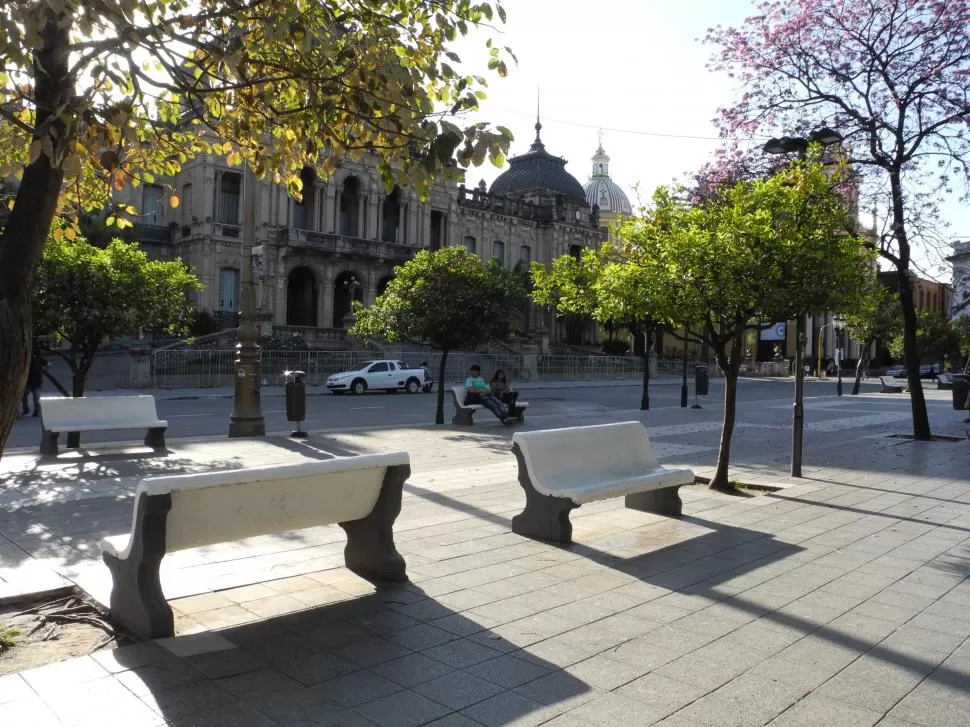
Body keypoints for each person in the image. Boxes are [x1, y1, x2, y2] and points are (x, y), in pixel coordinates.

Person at [21, 348, 45, 417]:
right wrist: (43, 370)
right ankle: (36, 412)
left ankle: (26, 409)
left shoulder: (26, 360)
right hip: (36, 381)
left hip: (29, 382)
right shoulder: (39, 359)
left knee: (24, 396)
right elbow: (49, 365)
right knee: (35, 398)